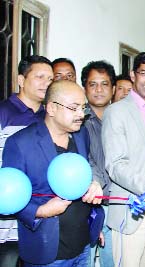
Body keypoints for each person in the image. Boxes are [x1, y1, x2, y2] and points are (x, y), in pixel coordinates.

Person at [2, 80, 104, 266]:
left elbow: (85, 170)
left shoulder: (82, 135)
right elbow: (7, 194)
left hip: (83, 246)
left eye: (83, 108)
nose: (81, 115)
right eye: (73, 108)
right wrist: (41, 211)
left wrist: (93, 184)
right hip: (47, 251)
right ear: (51, 108)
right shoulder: (20, 143)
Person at [102, 51, 145, 266]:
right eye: (144, 73)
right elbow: (115, 165)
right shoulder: (116, 111)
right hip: (132, 209)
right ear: (133, 74)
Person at [0, 55, 53, 267]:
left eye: (50, 79)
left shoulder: (48, 117)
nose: (46, 83)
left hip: (40, 220)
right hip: (7, 224)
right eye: (40, 77)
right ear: (21, 80)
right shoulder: (4, 113)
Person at [81, 60, 116, 267]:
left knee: (112, 261)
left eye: (104, 84)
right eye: (93, 84)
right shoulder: (78, 119)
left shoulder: (122, 117)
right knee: (85, 260)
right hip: (87, 203)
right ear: (84, 87)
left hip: (118, 203)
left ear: (113, 88)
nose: (99, 90)